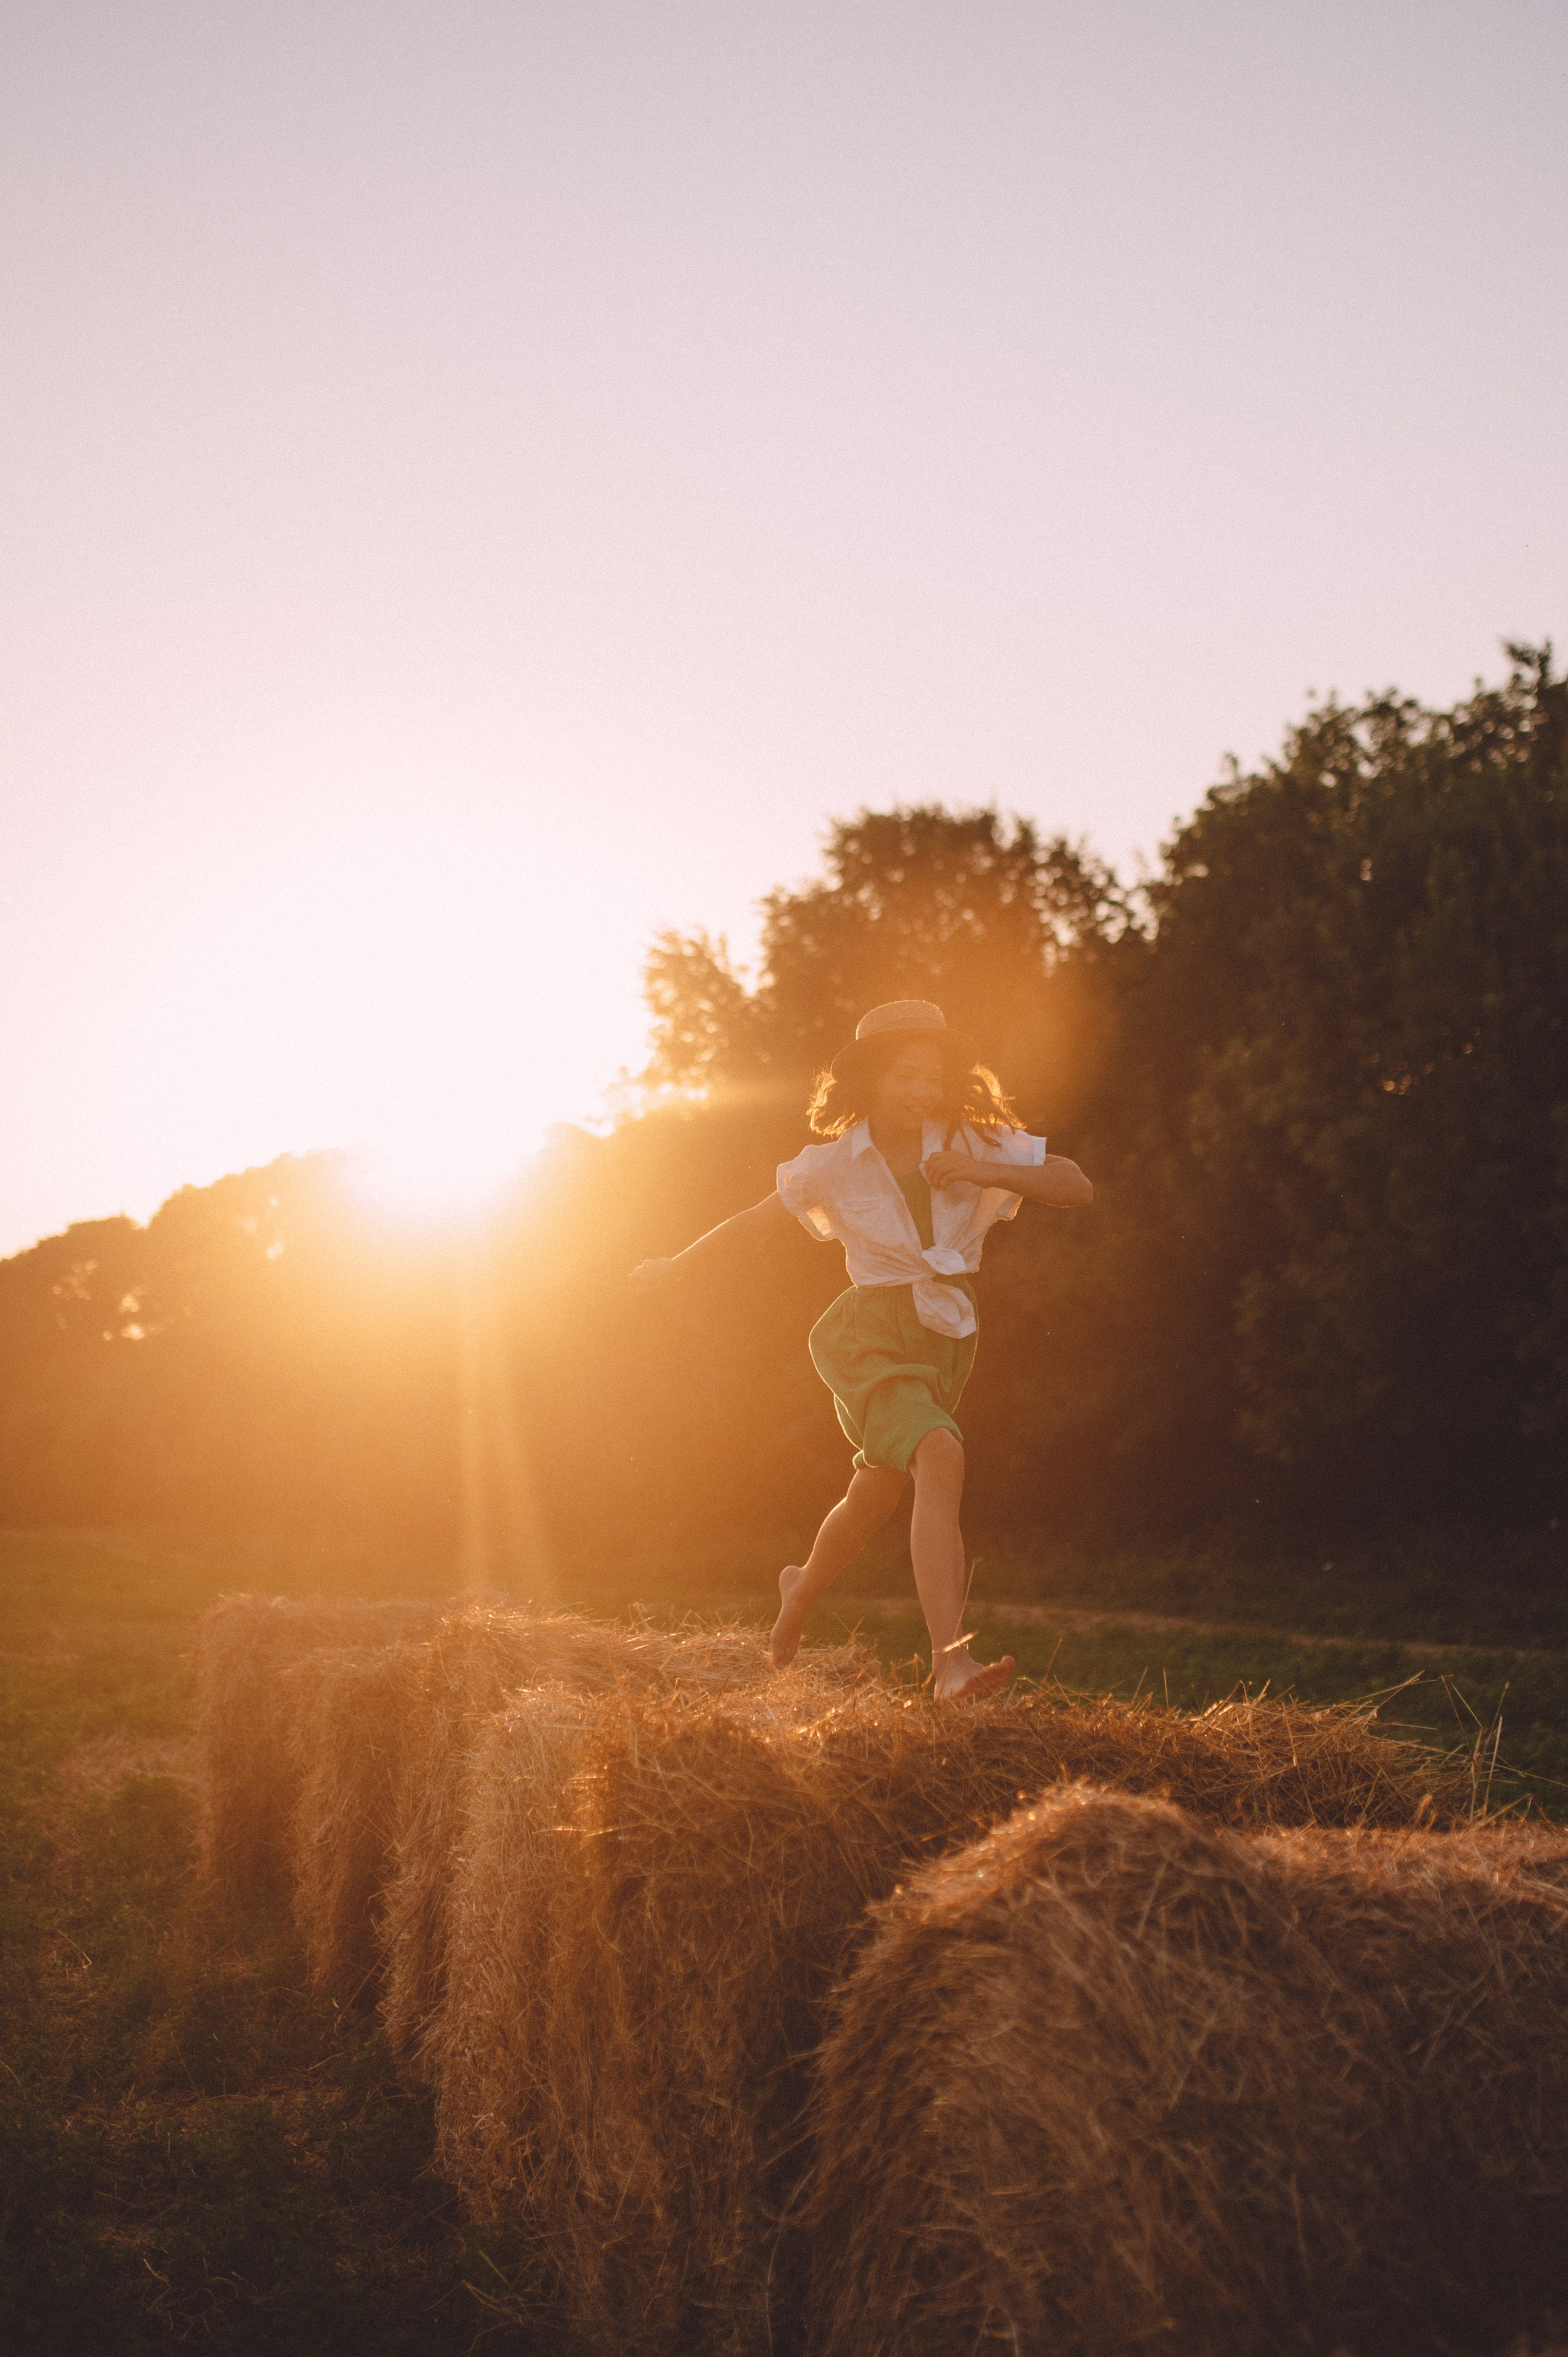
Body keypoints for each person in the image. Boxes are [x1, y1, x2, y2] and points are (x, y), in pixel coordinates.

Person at [629, 1000, 1093, 1702]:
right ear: (872, 1079)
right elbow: (754, 1223)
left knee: (874, 1491)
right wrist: (675, 1264)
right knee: (941, 1453)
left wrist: (979, 1170)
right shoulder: (830, 1164)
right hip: (870, 1335)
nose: (921, 1091)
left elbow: (1074, 1184)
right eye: (907, 1075)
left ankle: (799, 1588)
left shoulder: (967, 1138)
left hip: (944, 1334)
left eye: (931, 1077)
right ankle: (950, 1664)